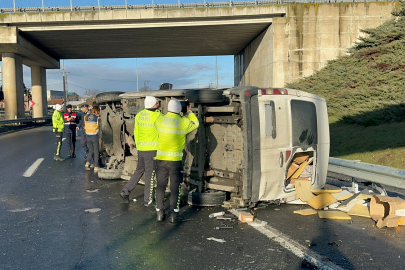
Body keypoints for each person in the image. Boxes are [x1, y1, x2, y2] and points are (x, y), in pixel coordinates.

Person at [155, 99, 199, 223]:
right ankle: (174, 215)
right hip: (175, 161)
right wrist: (189, 111)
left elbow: (159, 114)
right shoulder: (183, 122)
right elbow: (196, 123)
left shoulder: (160, 119)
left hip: (161, 159)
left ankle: (159, 213)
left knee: (161, 186)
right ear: (179, 110)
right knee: (175, 188)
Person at [119, 96, 161, 207]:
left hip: (141, 148)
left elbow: (136, 132)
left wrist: (138, 145)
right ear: (153, 105)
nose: (158, 104)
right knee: (150, 174)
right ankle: (148, 200)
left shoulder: (139, 115)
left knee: (139, 170)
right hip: (152, 149)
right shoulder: (157, 116)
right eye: (157, 103)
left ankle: (126, 191)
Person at [84, 106, 101, 172]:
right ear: (96, 111)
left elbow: (85, 126)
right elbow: (100, 126)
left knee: (91, 150)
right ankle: (96, 166)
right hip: (95, 135)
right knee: (96, 151)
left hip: (88, 136)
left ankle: (87, 162)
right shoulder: (97, 118)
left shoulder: (86, 117)